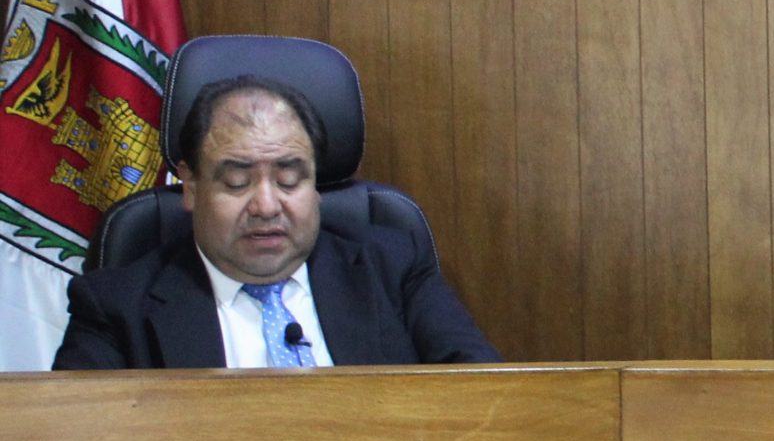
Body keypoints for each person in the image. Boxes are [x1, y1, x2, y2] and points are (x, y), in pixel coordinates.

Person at [52, 75, 500, 369]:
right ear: (190, 186)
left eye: (289, 179)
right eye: (236, 182)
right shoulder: (114, 307)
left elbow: (487, 399)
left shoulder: (394, 268)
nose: (267, 206)